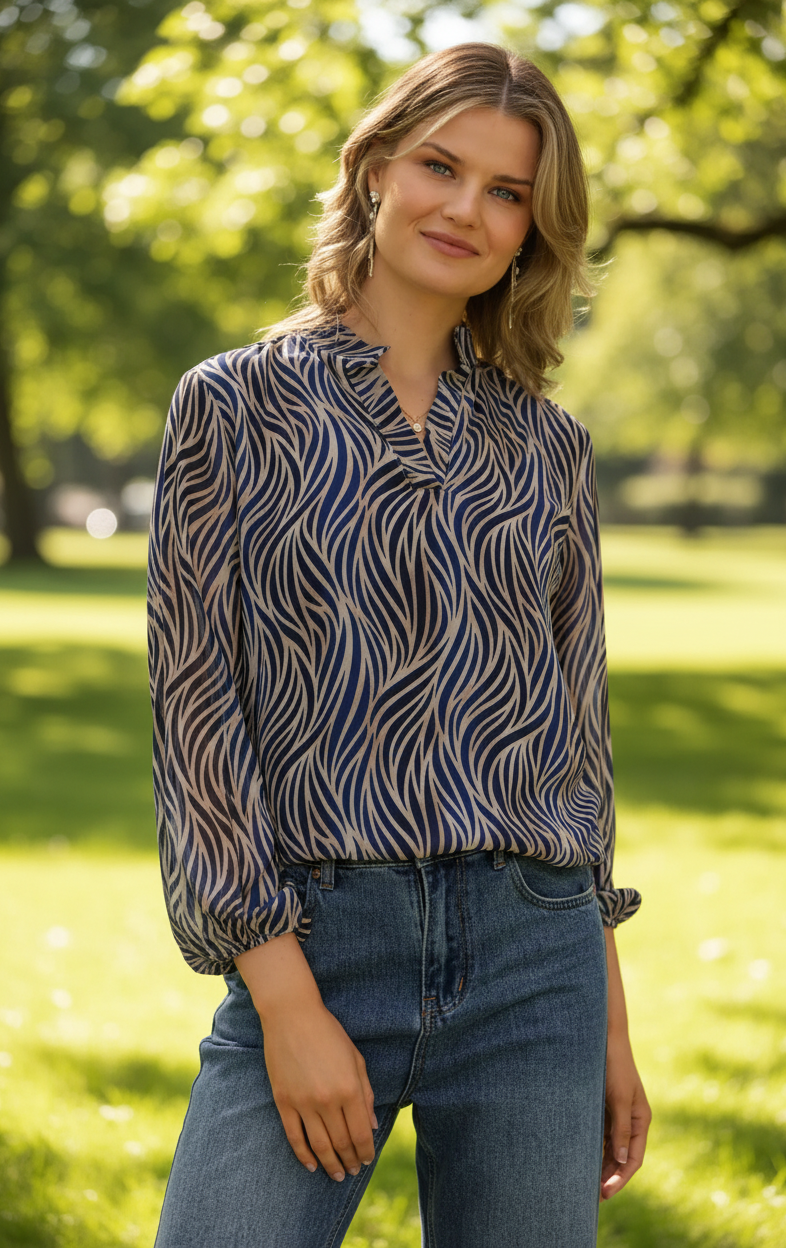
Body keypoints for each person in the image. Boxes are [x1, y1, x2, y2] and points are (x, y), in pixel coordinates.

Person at [148, 41, 650, 1248]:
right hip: (319, 945)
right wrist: (281, 1000)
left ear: (534, 227)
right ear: (374, 167)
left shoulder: (547, 448)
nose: (465, 210)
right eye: (440, 165)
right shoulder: (232, 406)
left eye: (507, 191)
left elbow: (571, 746)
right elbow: (197, 721)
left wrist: (610, 1028)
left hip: (539, 965)